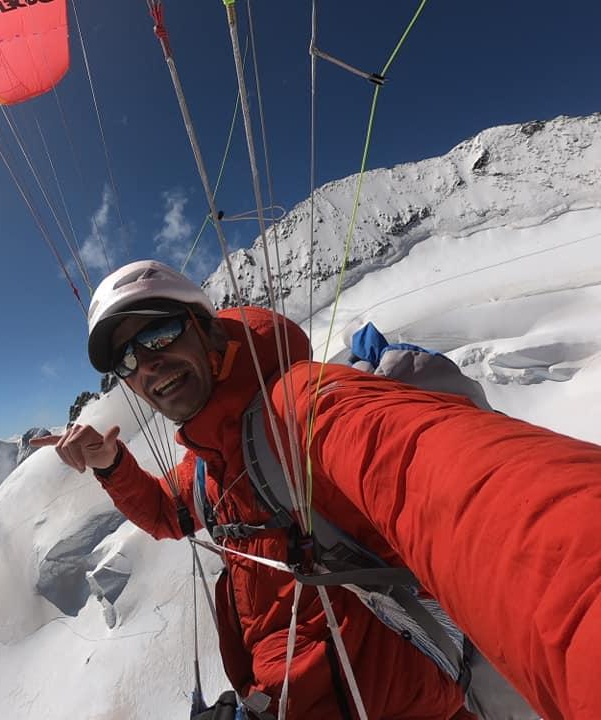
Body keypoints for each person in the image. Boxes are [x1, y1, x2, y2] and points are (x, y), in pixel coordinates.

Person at [32, 260, 601, 720]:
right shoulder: (209, 462)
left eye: (158, 333)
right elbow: (168, 514)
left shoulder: (303, 407)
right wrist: (112, 465)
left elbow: (474, 498)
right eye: (129, 359)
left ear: (207, 329)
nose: (149, 366)